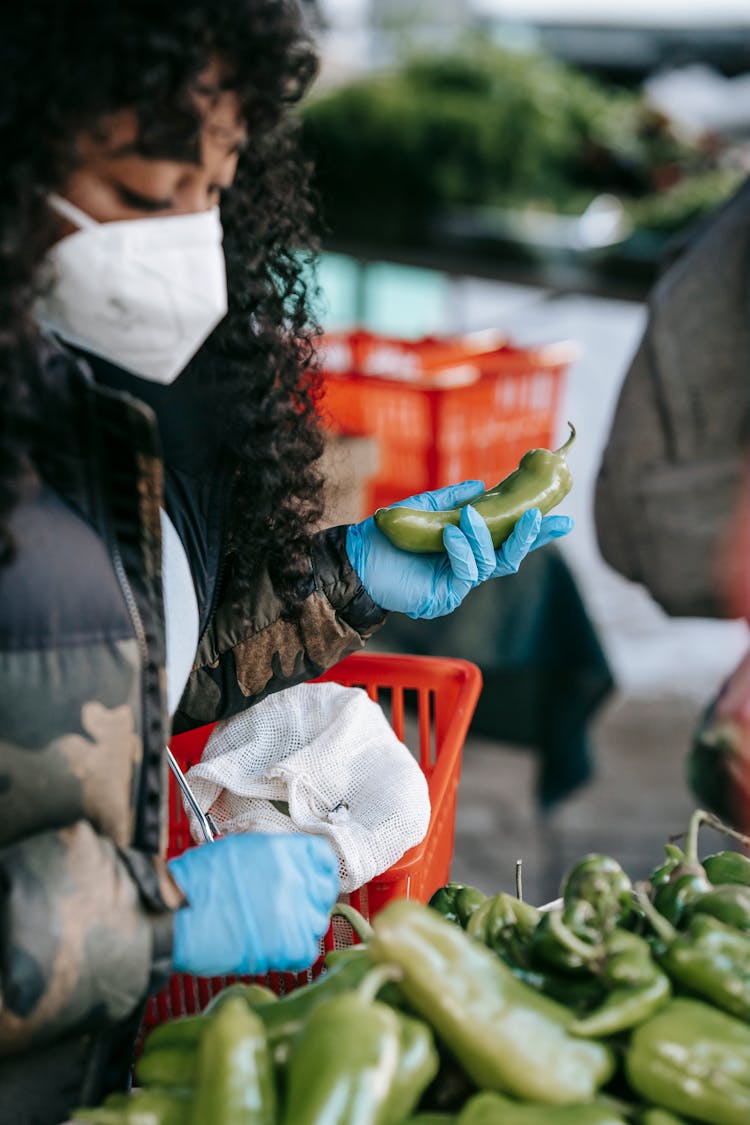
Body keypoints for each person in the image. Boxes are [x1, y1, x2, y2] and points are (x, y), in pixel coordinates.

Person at [0, 3, 572, 1120]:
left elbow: (109, 685)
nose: (181, 244)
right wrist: (157, 919)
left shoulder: (92, 409)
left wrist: (353, 578)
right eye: (136, 199)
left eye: (210, 194)